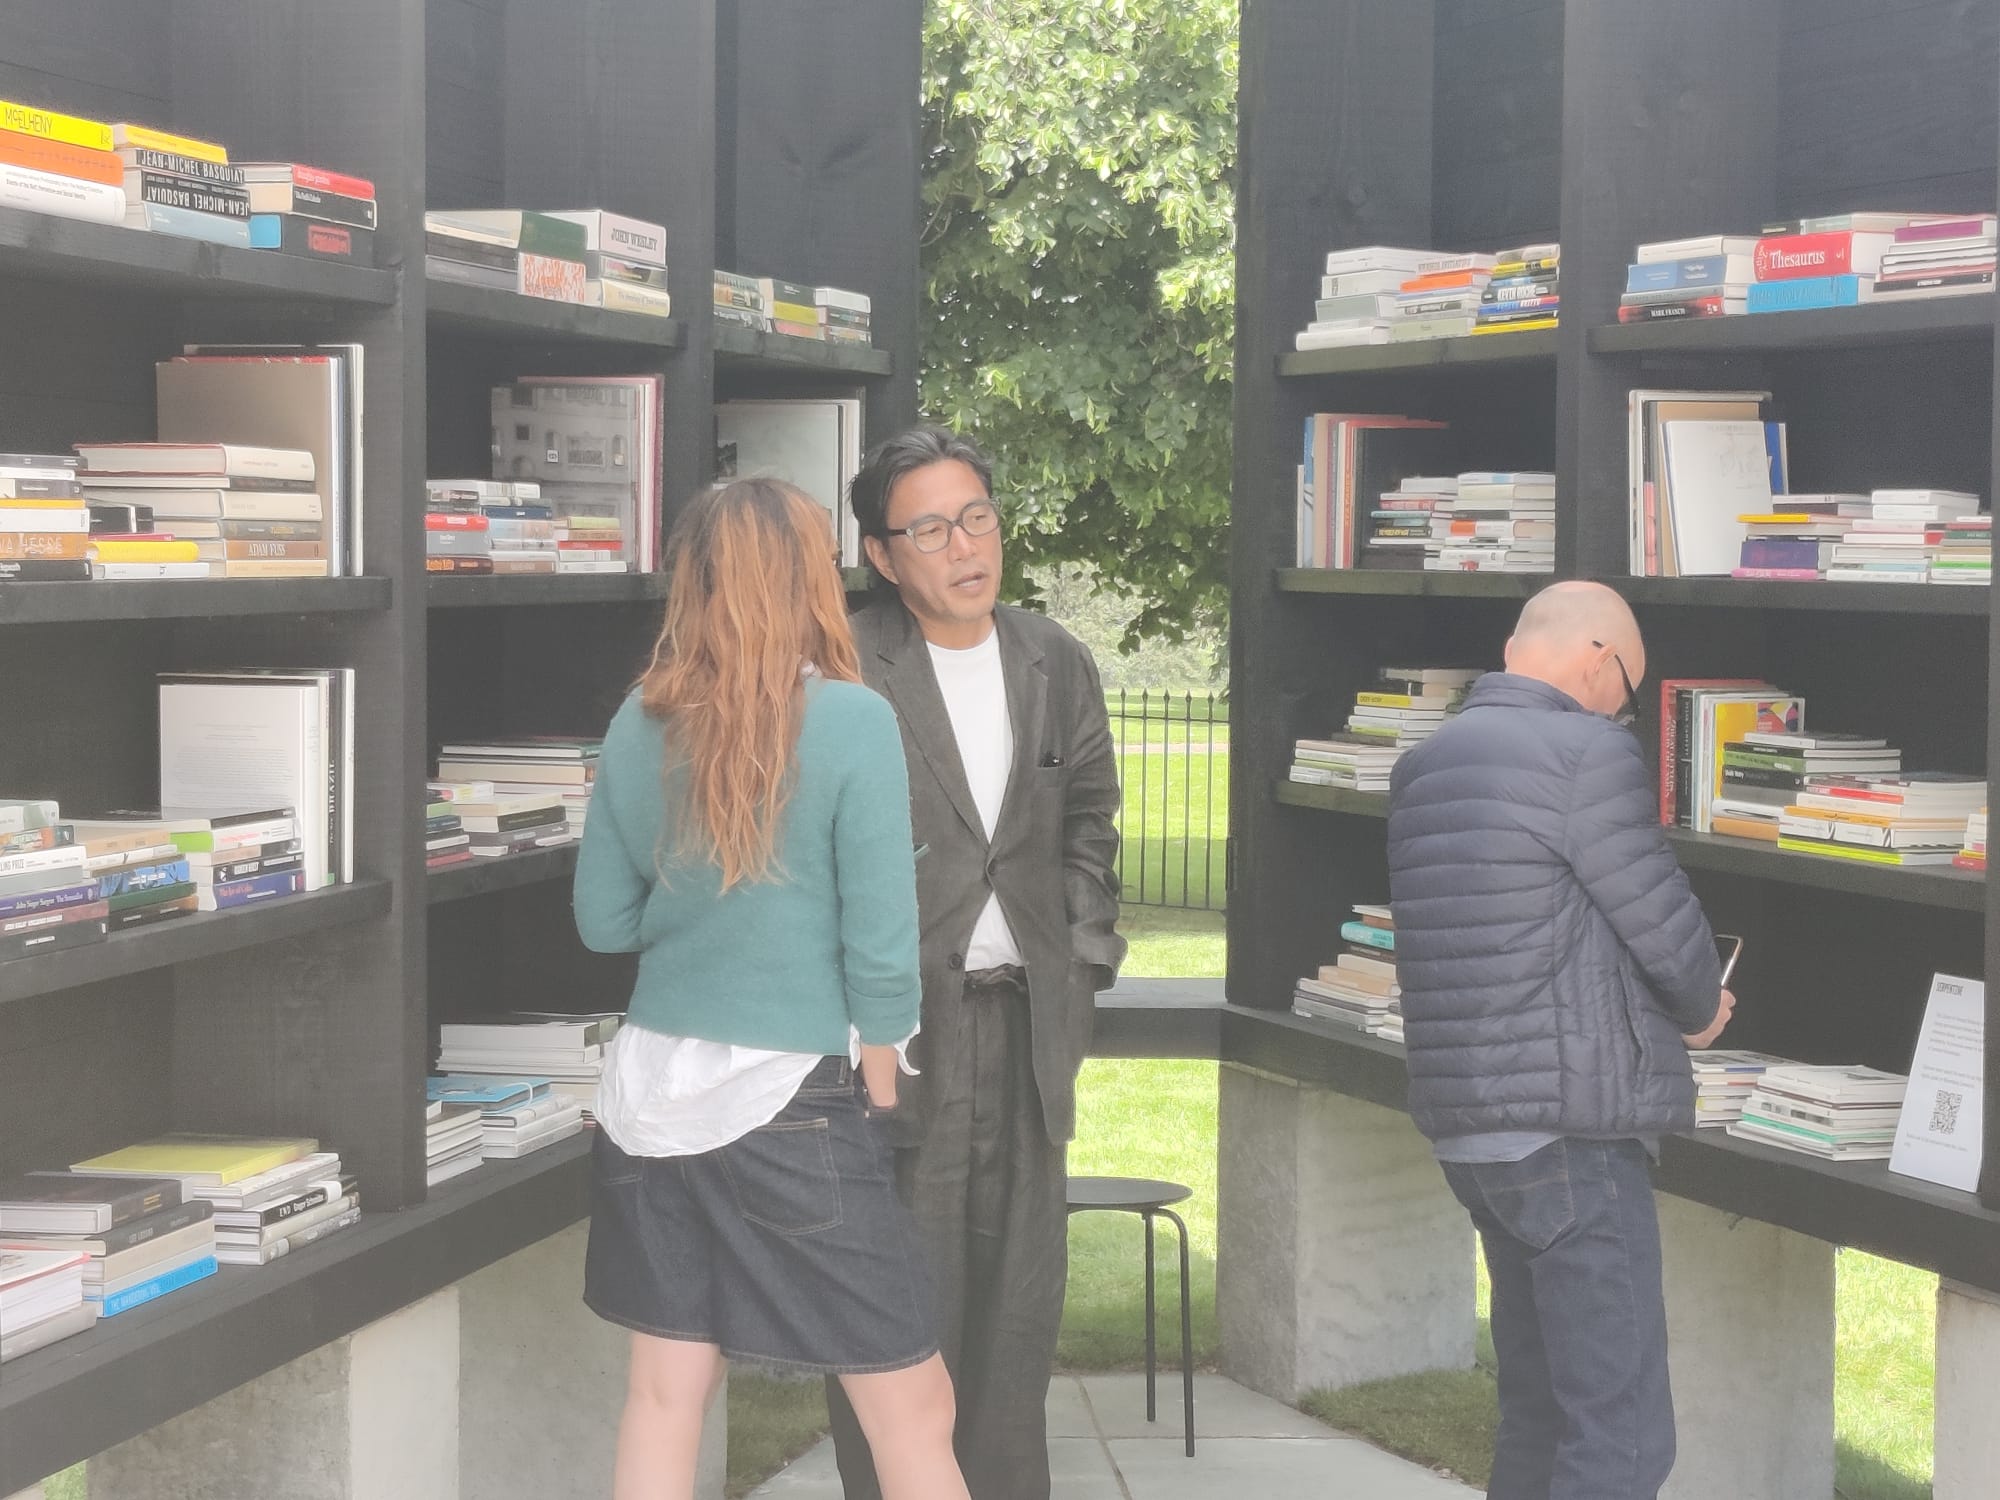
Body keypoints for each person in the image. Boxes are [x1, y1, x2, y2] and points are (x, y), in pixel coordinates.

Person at [571, 477, 970, 1500]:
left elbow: (603, 922)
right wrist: (880, 1085)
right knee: (913, 1408)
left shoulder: (636, 723)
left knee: (665, 1392)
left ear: (690, 582)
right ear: (809, 579)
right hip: (793, 1096)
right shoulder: (849, 722)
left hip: (647, 1093)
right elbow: (882, 950)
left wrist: (696, 906)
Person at [824, 425, 1126, 1500]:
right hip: (899, 1035)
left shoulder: (1053, 658)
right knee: (897, 1312)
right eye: (931, 528)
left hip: (1030, 1030)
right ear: (880, 551)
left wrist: (1084, 951)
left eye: (978, 517)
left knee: (1017, 1307)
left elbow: (1089, 815)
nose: (965, 546)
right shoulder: (844, 663)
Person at [1386, 580, 1736, 1500]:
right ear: (1595, 657)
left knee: (1539, 1412)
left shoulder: (1425, 765)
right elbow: (1660, 918)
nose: (1624, 706)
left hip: (1475, 1135)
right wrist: (1702, 1008)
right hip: (1570, 1135)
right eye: (1628, 683)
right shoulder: (1585, 752)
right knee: (1620, 1434)